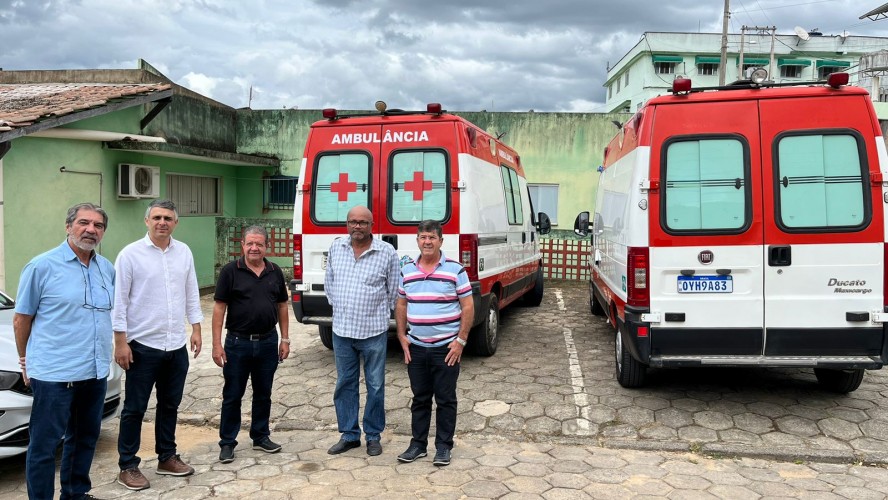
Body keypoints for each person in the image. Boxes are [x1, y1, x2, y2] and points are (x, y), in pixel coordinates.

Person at [14, 203, 115, 500]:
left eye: (98, 225)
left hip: (94, 372)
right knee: (44, 446)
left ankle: (75, 493)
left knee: (84, 439)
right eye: (84, 223)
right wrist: (25, 361)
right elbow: (22, 318)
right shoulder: (41, 266)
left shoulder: (106, 268)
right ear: (68, 226)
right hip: (54, 374)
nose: (91, 230)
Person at [113, 199, 203, 491]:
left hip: (175, 345)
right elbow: (119, 303)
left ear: (176, 223)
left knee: (170, 404)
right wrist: (120, 343)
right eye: (157, 217)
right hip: (141, 346)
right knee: (135, 408)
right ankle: (128, 465)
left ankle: (167, 456)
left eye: (168, 218)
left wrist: (197, 329)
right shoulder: (130, 255)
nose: (162, 222)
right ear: (147, 221)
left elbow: (191, 292)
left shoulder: (184, 252)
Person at [395, 219, 473, 467]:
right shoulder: (407, 270)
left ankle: (443, 447)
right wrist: (401, 335)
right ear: (417, 240)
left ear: (441, 240)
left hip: (446, 348)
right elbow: (401, 303)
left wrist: (460, 340)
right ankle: (418, 445)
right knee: (419, 398)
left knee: (445, 399)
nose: (427, 241)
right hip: (416, 347)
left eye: (432, 237)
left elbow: (468, 306)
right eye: (422, 237)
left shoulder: (455, 270)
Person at [324, 205, 400, 456]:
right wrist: (343, 307)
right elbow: (330, 282)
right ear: (347, 224)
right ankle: (349, 435)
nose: (357, 226)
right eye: (353, 221)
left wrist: (381, 315)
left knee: (375, 386)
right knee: (345, 384)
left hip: (373, 332)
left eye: (363, 222)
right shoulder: (336, 247)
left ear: (372, 225)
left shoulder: (386, 252)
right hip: (342, 330)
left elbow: (394, 291)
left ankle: (374, 435)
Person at [212, 225, 290, 463]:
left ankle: (260, 436)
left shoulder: (275, 271)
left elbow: (282, 306)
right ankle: (227, 442)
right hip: (237, 343)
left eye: (259, 244)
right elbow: (219, 308)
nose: (254, 248)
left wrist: (285, 338)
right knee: (233, 394)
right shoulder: (230, 271)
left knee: (263, 393)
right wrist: (216, 344)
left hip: (268, 342)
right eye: (250, 244)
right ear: (243, 246)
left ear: (266, 246)